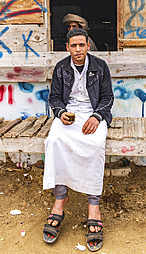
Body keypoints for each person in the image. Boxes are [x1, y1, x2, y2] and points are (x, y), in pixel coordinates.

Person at [43, 28, 114, 251]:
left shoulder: (100, 67)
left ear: (88, 46)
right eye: (73, 46)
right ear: (68, 48)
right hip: (69, 115)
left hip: (92, 114)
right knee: (54, 141)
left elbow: (107, 98)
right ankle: (59, 200)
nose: (78, 50)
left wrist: (97, 116)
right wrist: (60, 112)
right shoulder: (61, 67)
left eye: (81, 45)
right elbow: (54, 97)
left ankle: (93, 205)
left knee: (94, 145)